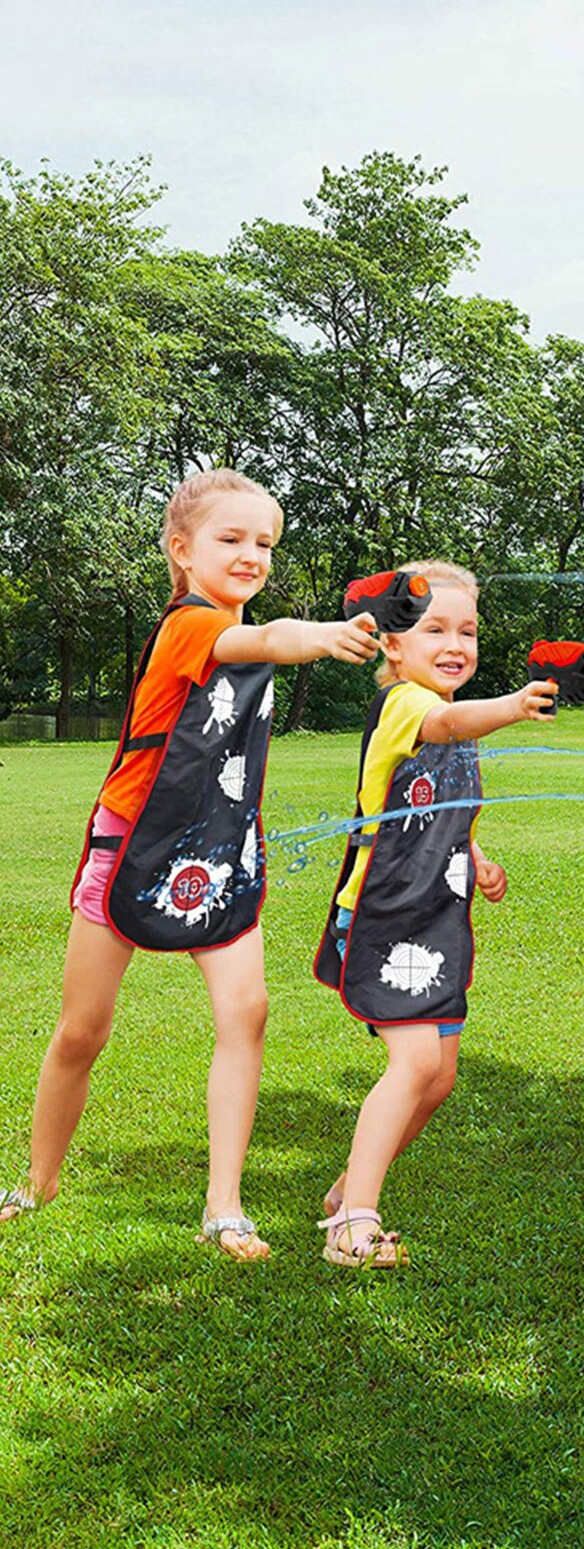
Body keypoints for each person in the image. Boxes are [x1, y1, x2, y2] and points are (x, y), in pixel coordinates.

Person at [0, 468, 380, 1260]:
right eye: (231, 539)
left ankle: (224, 1207)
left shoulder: (235, 620)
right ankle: (38, 1180)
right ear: (183, 549)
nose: (251, 555)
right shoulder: (190, 625)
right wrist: (308, 636)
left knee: (247, 1015)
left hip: (220, 847)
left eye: (265, 542)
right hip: (132, 840)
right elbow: (262, 639)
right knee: (82, 1030)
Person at [313, 561, 556, 1267]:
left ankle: (344, 1188)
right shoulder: (409, 705)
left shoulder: (451, 714)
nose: (456, 643)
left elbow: (440, 805)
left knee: (439, 1077)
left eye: (468, 630)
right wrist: (513, 704)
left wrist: (476, 855)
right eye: (435, 629)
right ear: (392, 644)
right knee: (414, 1060)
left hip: (437, 916)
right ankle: (353, 1226)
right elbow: (446, 723)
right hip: (383, 918)